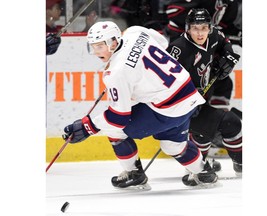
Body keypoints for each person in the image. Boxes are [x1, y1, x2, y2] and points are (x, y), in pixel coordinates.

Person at [63, 21, 218, 188]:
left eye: (100, 46)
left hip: (168, 108)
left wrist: (88, 126)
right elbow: (163, 43)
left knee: (114, 129)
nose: (95, 52)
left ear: (114, 42)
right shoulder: (135, 32)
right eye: (93, 46)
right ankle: (204, 173)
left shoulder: (116, 72)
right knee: (172, 144)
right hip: (188, 95)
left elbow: (118, 118)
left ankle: (133, 173)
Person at [166, 8, 242, 176]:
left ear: (209, 27)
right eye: (195, 28)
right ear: (187, 28)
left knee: (202, 133)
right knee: (230, 123)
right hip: (181, 107)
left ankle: (200, 166)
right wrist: (186, 97)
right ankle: (203, 168)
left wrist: (227, 57)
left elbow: (225, 43)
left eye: (204, 28)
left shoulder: (213, 34)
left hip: (202, 97)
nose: (200, 33)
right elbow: (163, 84)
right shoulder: (177, 50)